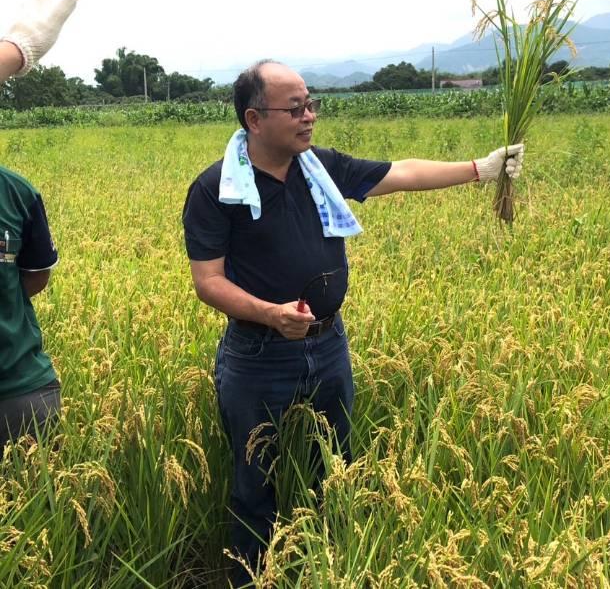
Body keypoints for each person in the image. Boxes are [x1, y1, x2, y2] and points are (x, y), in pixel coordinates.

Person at [182, 59, 523, 585]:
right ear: (254, 118)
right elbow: (209, 281)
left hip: (327, 345)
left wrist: (482, 168)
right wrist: (272, 315)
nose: (309, 116)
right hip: (257, 355)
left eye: (311, 103)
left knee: (334, 466)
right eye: (295, 108)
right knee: (255, 480)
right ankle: (253, 577)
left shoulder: (319, 166)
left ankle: (328, 568)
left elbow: (401, 174)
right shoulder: (216, 190)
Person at [0, 0, 79, 446]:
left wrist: (23, 44)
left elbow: (34, 277)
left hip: (20, 392)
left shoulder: (16, 192)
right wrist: (23, 44)